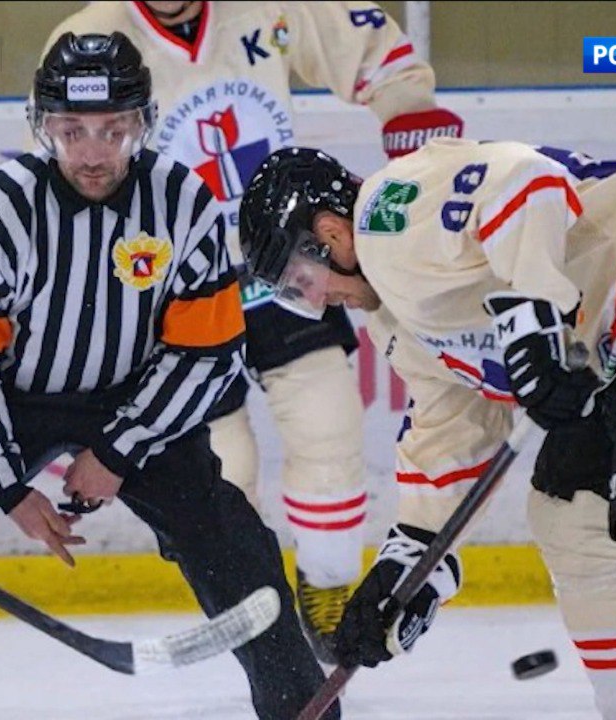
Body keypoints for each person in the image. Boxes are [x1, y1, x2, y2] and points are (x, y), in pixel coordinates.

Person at [0, 32, 336, 720]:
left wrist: (118, 451)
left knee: (236, 547)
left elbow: (207, 352)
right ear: (42, 126)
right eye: (72, 131)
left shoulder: (183, 203)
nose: (92, 153)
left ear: (143, 124)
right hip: (8, 402)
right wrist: (7, 488)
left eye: (112, 131)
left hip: (137, 401)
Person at [238, 143, 616, 719]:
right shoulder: (394, 316)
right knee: (570, 517)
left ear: (330, 233)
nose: (317, 301)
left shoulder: (388, 213)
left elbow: (524, 182)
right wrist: (406, 570)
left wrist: (530, 325)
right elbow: (452, 432)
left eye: (299, 280)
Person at [42, 0, 464, 663]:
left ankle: (327, 595)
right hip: (173, 291)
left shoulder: (268, 7)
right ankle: (253, 611)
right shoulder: (87, 39)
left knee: (328, 421)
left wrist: (407, 110)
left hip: (285, 264)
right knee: (223, 469)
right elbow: (65, 176)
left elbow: (369, 49)